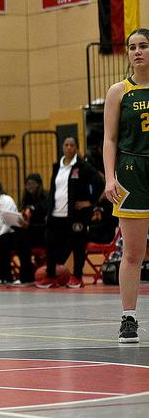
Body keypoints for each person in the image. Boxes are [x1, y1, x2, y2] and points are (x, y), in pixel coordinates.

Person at [103, 28, 149, 343]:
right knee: (133, 253)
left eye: (144, 46)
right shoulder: (119, 91)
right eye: (132, 47)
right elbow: (109, 138)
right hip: (132, 170)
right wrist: (109, 176)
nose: (137, 52)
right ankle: (128, 318)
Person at [38, 137, 102, 289]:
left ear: (76, 148)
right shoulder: (57, 166)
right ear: (62, 147)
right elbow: (54, 189)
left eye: (72, 145)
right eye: (66, 145)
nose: (68, 148)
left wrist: (90, 202)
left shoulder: (83, 166)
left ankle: (77, 277)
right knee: (50, 244)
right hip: (56, 213)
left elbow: (99, 182)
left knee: (78, 244)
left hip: (75, 215)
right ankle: (51, 276)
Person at [0, 173, 49, 285]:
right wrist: (13, 221)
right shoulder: (26, 200)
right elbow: (22, 217)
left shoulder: (45, 200)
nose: (29, 186)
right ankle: (5, 277)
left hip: (40, 234)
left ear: (39, 185)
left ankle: (26, 277)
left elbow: (46, 223)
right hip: (24, 232)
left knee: (22, 240)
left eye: (32, 183)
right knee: (2, 239)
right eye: (27, 184)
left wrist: (29, 226)